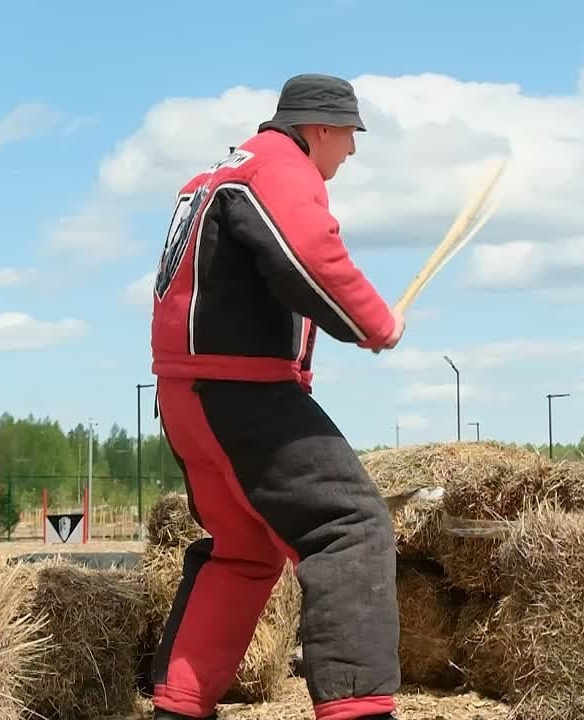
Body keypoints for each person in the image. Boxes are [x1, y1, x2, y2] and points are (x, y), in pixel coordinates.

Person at [148, 73, 405, 720]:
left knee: (244, 551)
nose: (350, 151)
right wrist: (376, 323)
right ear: (319, 128)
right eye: (348, 135)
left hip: (187, 398)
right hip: (242, 397)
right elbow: (308, 255)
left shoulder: (211, 178)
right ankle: (360, 711)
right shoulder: (278, 171)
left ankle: (178, 704)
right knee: (349, 526)